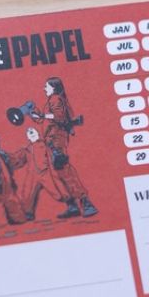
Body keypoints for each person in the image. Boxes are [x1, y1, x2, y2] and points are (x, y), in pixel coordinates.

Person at [35, 76, 98, 218]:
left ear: (53, 88)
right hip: (53, 141)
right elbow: (50, 118)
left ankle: (86, 203)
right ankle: (73, 206)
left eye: (46, 86)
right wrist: (39, 115)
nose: (44, 89)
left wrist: (44, 115)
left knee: (65, 172)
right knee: (59, 174)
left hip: (56, 141)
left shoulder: (55, 99)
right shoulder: (53, 99)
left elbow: (59, 117)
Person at [11, 127, 72, 220]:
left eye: (33, 131)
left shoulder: (45, 144)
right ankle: (28, 213)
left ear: (38, 134)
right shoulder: (27, 149)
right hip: (32, 175)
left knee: (57, 188)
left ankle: (72, 205)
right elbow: (17, 159)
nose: (30, 132)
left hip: (46, 172)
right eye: (29, 132)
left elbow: (54, 153)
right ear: (28, 137)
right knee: (27, 192)